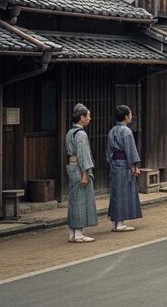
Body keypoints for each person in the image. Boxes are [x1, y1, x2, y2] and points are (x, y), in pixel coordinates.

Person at [106, 105, 143, 232]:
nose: (131, 116)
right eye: (130, 114)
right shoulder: (126, 132)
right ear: (126, 116)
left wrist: (112, 162)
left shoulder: (112, 131)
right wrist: (134, 166)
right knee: (123, 193)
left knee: (116, 192)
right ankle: (120, 223)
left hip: (115, 163)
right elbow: (130, 150)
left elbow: (109, 152)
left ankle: (116, 222)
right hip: (125, 164)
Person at [66, 103, 98, 243]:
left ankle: (73, 232)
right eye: (88, 116)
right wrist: (85, 173)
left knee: (74, 200)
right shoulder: (81, 134)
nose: (90, 118)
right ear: (81, 117)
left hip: (72, 167)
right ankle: (78, 233)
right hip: (79, 168)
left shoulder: (69, 133)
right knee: (80, 200)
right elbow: (83, 155)